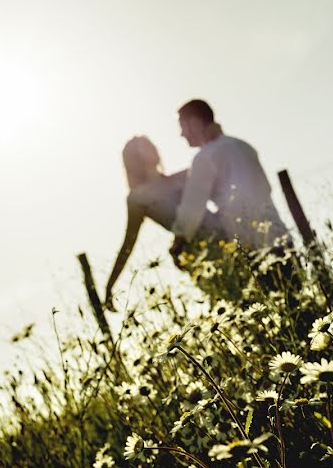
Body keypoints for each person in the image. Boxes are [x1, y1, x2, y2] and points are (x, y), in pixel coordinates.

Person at [103, 135, 223, 312]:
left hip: (227, 237)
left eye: (151, 144)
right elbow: (128, 244)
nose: (152, 148)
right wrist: (109, 286)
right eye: (145, 147)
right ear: (134, 159)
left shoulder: (184, 176)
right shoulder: (137, 199)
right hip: (198, 257)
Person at [169, 99, 288, 260]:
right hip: (281, 238)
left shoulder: (204, 157)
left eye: (182, 127)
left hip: (251, 246)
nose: (181, 134)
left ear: (195, 122)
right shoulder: (244, 146)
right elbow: (264, 189)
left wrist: (178, 243)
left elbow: (192, 207)